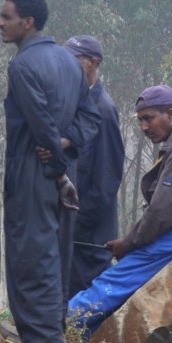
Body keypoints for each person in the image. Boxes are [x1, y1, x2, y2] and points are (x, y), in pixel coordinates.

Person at [67, 84, 172, 337]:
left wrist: (129, 243)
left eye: (149, 118)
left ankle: (55, 327)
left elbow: (163, 211)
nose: (144, 127)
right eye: (140, 121)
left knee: (117, 279)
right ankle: (82, 336)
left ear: (170, 113)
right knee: (126, 283)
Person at [0, 0, 101, 343]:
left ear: (27, 22)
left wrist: (57, 168)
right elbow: (90, 118)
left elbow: (40, 124)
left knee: (31, 259)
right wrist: (66, 144)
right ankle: (52, 342)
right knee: (56, 256)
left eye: (7, 17)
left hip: (36, 173)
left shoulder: (22, 66)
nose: (0, 23)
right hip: (62, 173)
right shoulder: (70, 63)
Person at [61, 35, 125, 298]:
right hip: (68, 228)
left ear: (93, 64)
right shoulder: (71, 106)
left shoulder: (103, 111)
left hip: (89, 236)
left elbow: (107, 180)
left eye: (73, 61)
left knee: (86, 301)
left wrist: (79, 221)